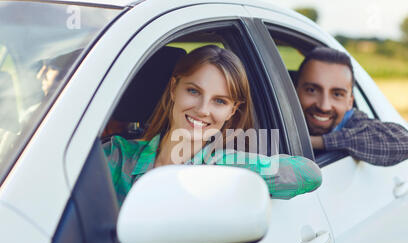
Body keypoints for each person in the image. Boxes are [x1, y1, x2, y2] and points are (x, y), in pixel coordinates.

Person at [103, 45, 322, 206]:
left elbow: (310, 174)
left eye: (219, 101)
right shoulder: (118, 154)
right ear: (173, 89)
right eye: (193, 91)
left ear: (231, 111)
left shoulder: (227, 166)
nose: (202, 109)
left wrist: (225, 169)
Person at [295, 47, 408, 166]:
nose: (324, 106)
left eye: (337, 94)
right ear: (294, 91)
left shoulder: (353, 122)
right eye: (311, 90)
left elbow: (401, 142)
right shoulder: (277, 116)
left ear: (350, 102)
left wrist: (317, 142)